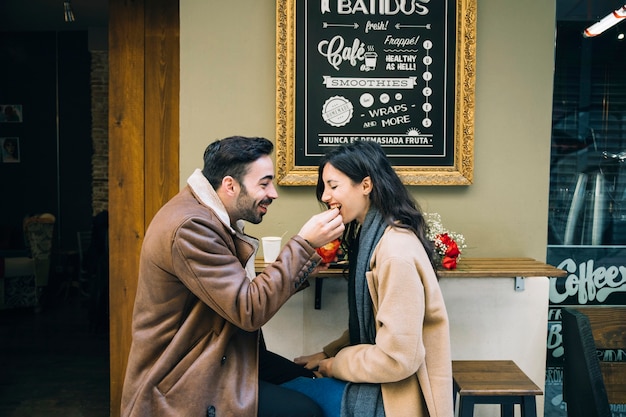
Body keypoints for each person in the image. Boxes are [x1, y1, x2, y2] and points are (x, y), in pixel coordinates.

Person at [121, 136, 345, 417]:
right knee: (305, 412)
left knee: (304, 375)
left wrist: (303, 266)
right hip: (185, 374)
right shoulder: (192, 227)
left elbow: (238, 295)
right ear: (230, 185)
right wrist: (303, 244)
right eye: (264, 184)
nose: (273, 193)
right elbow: (248, 309)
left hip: (222, 353)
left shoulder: (208, 215)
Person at [286, 140, 454, 417]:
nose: (326, 196)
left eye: (333, 185)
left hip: (395, 400)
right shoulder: (376, 237)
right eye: (324, 187)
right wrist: (327, 354)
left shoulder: (394, 252)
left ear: (366, 185)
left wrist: (334, 364)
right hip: (389, 388)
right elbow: (377, 324)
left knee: (286, 397)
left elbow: (398, 358)